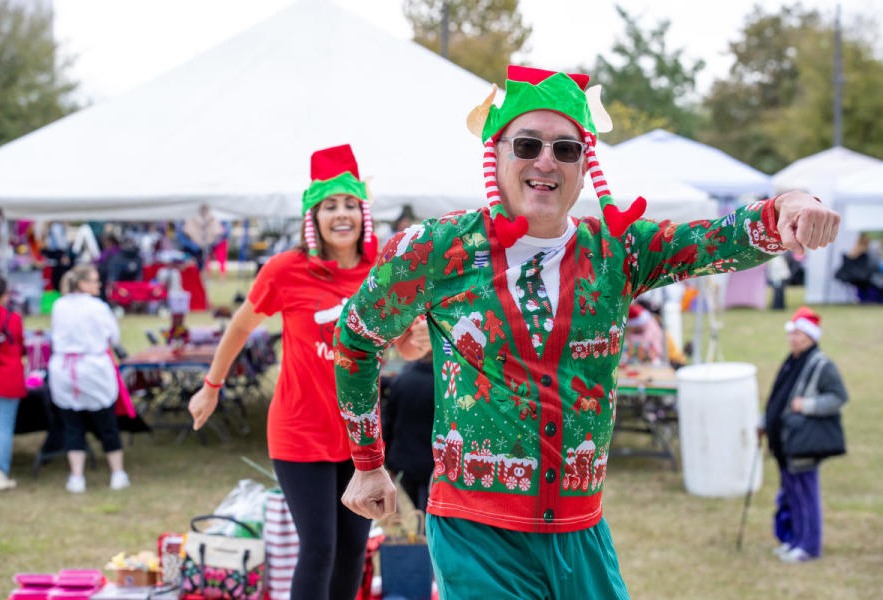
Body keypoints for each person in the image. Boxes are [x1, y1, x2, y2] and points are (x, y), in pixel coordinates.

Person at [333, 65, 841, 598]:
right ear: (497, 153)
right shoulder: (435, 250)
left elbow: (716, 239)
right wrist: (368, 463)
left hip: (581, 531)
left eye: (566, 149)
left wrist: (788, 205)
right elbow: (357, 337)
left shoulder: (617, 252)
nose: (546, 161)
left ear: (584, 163)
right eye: (527, 145)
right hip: (475, 530)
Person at [188, 144, 430, 600]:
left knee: (354, 551)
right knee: (319, 548)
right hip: (299, 432)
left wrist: (415, 344)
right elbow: (241, 327)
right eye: (329, 206)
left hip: (359, 434)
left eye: (349, 205)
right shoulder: (286, 270)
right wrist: (210, 386)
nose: (341, 215)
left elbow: (402, 346)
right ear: (312, 218)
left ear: (363, 214)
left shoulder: (380, 275)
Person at [758, 307, 847, 563]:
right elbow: (778, 396)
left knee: (805, 494)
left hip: (803, 442)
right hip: (784, 443)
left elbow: (838, 397)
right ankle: (793, 539)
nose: (793, 338)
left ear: (811, 336)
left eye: (798, 334)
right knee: (790, 493)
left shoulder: (821, 364)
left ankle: (809, 545)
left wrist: (807, 405)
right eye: (792, 333)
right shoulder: (792, 360)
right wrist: (765, 421)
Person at [48, 265, 130, 493]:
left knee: (73, 424)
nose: (98, 284)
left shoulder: (59, 305)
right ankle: (117, 473)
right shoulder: (97, 307)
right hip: (92, 368)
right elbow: (114, 336)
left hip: (65, 369)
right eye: (94, 280)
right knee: (106, 423)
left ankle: (77, 477)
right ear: (81, 283)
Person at [0, 275, 26, 491]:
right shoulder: (13, 318)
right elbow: (20, 344)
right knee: (3, 427)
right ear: (3, 294)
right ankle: (0, 473)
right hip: (8, 378)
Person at [382, 351, 435, 511]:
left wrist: (388, 459)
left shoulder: (401, 379)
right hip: (433, 460)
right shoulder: (443, 383)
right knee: (428, 509)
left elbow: (388, 420)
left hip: (403, 459)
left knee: (419, 508)